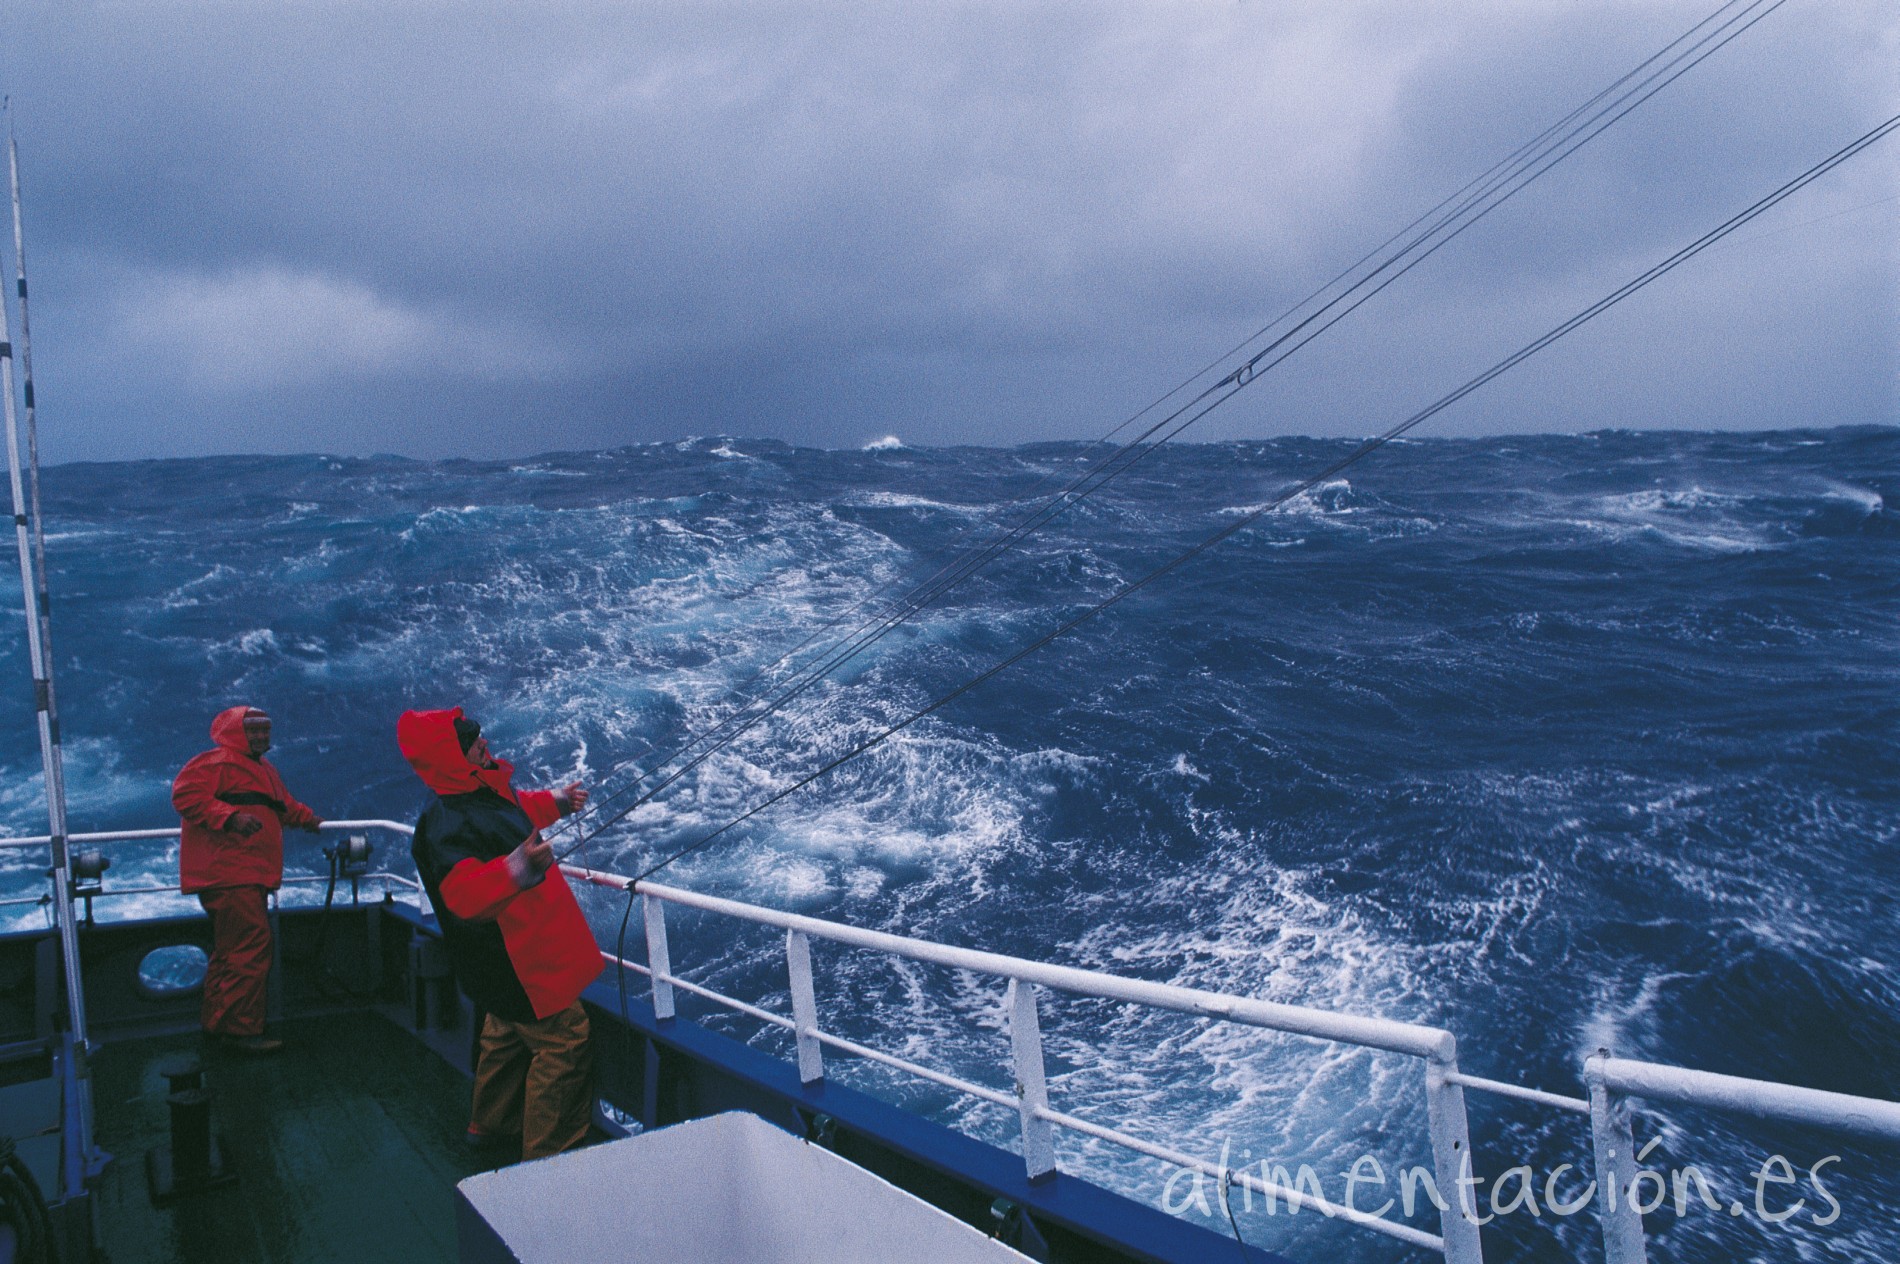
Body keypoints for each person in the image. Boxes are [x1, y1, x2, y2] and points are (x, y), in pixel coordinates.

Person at [397, 707, 601, 1162]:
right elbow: (462, 894)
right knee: (565, 1039)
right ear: (454, 756)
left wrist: (558, 801)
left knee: (505, 1031)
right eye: (473, 742)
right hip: (520, 962)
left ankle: (490, 1125)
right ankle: (548, 1157)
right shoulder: (449, 822)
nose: (484, 744)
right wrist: (518, 868)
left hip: (493, 967)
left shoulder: (477, 792)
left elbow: (518, 808)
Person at [173, 705, 324, 1055]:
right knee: (250, 947)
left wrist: (311, 820)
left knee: (232, 951)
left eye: (264, 730)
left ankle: (218, 1024)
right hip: (229, 873)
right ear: (234, 733)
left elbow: (281, 806)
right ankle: (241, 1033)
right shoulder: (215, 763)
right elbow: (185, 795)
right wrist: (230, 818)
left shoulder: (262, 769)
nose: (261, 736)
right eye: (252, 730)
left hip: (246, 873)